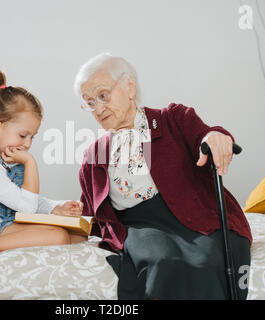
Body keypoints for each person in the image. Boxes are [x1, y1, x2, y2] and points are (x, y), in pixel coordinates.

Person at [74, 53, 252, 299]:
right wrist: (67, 213)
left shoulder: (172, 119)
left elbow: (206, 134)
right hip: (140, 227)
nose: (98, 108)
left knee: (205, 262)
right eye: (90, 102)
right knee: (164, 263)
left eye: (103, 95)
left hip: (194, 216)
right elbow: (90, 213)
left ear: (129, 86)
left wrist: (215, 137)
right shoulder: (94, 155)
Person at [0, 66, 86, 254]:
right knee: (58, 236)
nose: (28, 144)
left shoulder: (5, 160)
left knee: (79, 236)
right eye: (23, 135)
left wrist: (55, 209)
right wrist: (30, 164)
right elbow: (27, 208)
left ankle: (9, 239)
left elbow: (21, 198)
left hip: (5, 222)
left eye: (32, 137)